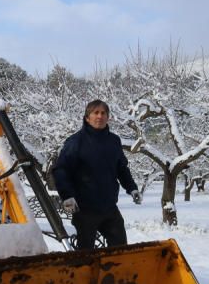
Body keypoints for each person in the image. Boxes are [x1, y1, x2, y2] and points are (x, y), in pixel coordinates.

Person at [53, 100, 142, 249]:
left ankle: (115, 272)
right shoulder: (75, 142)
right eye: (96, 113)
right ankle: (86, 272)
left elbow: (122, 169)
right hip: (84, 209)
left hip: (109, 207)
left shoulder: (114, 141)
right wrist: (67, 195)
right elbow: (61, 169)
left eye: (103, 113)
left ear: (108, 117)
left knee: (121, 248)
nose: (99, 116)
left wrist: (132, 188)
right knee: (86, 252)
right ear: (87, 117)